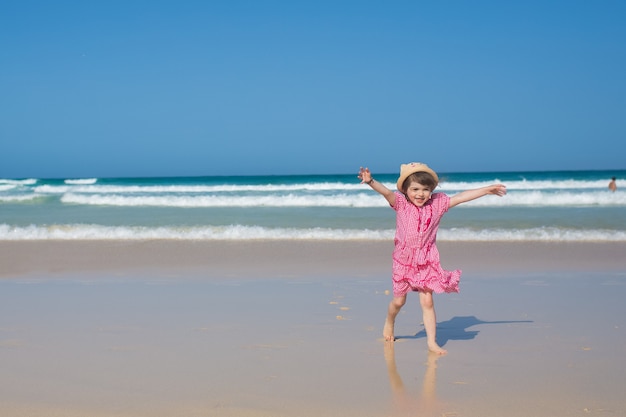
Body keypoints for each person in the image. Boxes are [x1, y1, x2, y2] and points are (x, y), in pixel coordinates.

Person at [358, 162, 506, 354]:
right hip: (404, 260)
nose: (420, 194)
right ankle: (389, 321)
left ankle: (431, 342)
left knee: (427, 301)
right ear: (405, 190)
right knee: (398, 302)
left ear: (431, 190)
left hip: (427, 260)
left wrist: (486, 190)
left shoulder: (437, 204)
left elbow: (460, 197)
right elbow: (386, 193)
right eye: (415, 189)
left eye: (425, 189)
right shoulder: (401, 204)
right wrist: (371, 182)